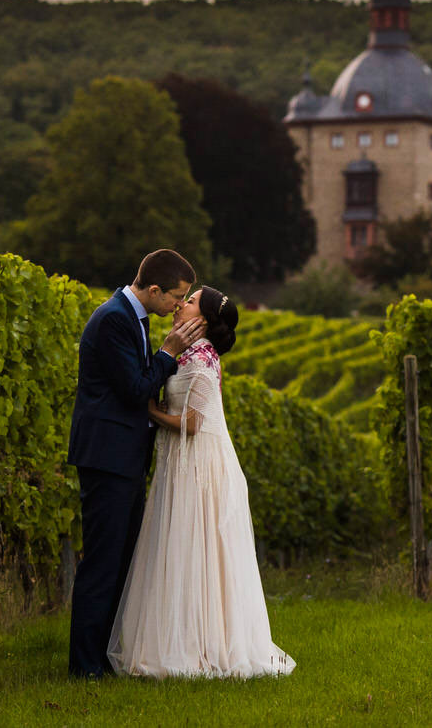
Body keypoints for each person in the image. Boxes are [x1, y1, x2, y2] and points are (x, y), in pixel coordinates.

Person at [108, 285, 295, 679]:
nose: (181, 303)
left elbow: (193, 424)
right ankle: (183, 641)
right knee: (179, 546)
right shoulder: (189, 354)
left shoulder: (200, 361)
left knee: (191, 546)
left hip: (198, 465)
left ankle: (196, 647)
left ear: (203, 320)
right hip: (182, 460)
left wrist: (149, 411)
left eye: (190, 301)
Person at [67, 249, 206, 679]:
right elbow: (133, 390)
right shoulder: (113, 319)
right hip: (107, 457)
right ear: (153, 290)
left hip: (122, 456)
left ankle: (102, 658)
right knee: (103, 562)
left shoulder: (132, 318)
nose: (177, 306)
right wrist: (168, 352)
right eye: (175, 297)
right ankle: (85, 666)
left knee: (120, 559)